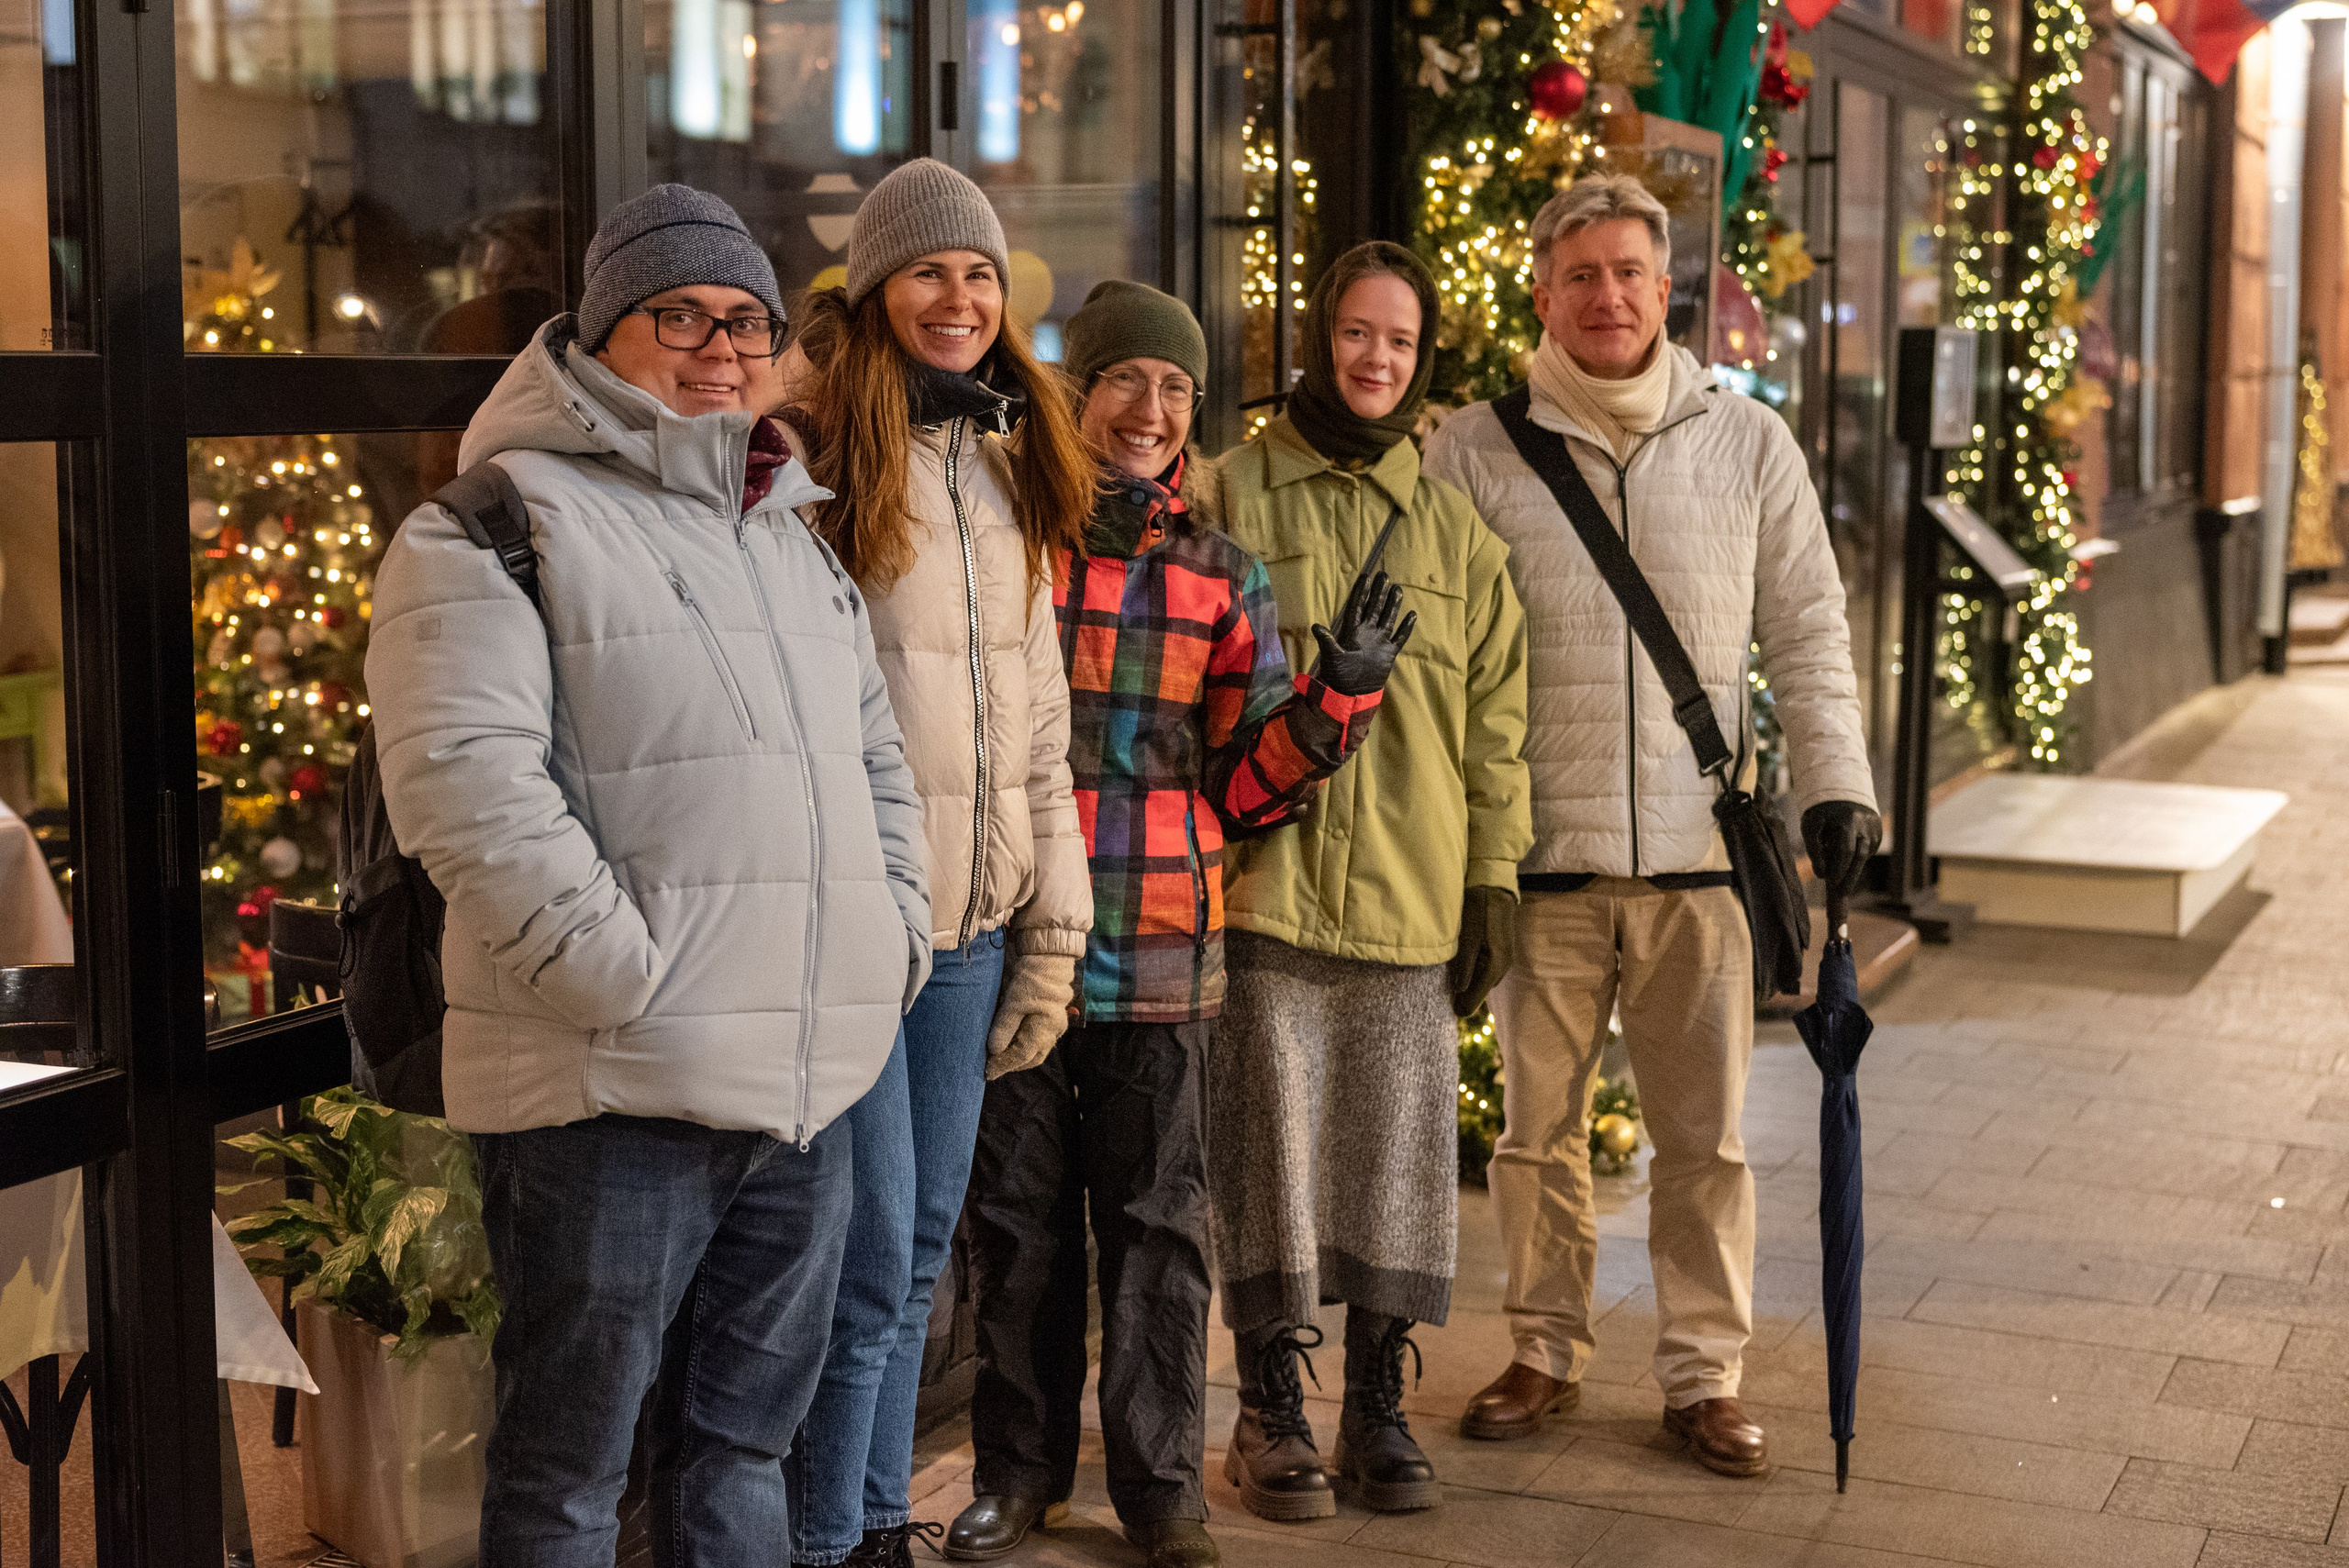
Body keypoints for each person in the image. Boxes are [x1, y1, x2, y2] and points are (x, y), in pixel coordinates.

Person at [365, 183, 930, 1564]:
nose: (722, 347)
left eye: (746, 318)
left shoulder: (786, 526)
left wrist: (892, 938)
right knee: (570, 1467)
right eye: (679, 314)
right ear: (602, 332)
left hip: (802, 1088)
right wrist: (620, 978)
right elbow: (467, 789)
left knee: (740, 1450)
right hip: (607, 1089)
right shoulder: (496, 524)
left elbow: (879, 763)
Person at [1421, 172, 1879, 1478]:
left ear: (1665, 284)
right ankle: (1545, 1347)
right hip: (1542, 861)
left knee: (1706, 1144)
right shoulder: (1473, 446)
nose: (1607, 295)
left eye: (1629, 271)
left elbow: (1807, 631)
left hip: (1698, 859)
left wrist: (1836, 782)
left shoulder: (1747, 443)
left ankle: (1702, 1374)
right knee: (1534, 1134)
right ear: (1541, 293)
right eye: (1580, 275)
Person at [950, 281, 1410, 1568]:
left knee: (1157, 1230)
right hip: (1017, 933)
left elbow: (1243, 786)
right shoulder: (1010, 546)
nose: (1149, 410)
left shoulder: (1220, 574)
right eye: (1126, 382)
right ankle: (1020, 1471)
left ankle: (1161, 1493)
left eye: (1174, 392)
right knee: (1018, 1224)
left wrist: (1334, 700)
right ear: (1075, 394)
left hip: (1160, 949)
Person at [779, 158, 1098, 1568]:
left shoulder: (1004, 464)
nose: (958, 297)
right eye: (928, 272)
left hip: (972, 927)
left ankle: (863, 1522)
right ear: (875, 291)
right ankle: (832, 1535)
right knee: (861, 1265)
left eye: (979, 274)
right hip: (862, 930)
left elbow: (1040, 726)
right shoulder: (816, 458)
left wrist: (1054, 923)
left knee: (918, 1255)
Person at [1208, 241, 1531, 1520]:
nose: (1374, 359)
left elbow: (1492, 729)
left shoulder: (1458, 533)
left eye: (1398, 342)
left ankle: (1377, 1405)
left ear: (1423, 360)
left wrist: (1492, 881)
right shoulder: (1234, 490)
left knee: (1398, 1160)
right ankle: (1269, 1407)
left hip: (1409, 899)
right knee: (1269, 1158)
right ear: (1318, 337)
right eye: (1355, 334)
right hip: (1268, 893)